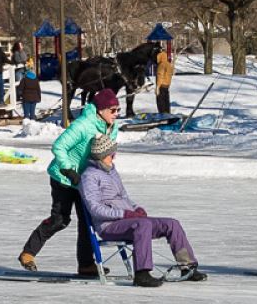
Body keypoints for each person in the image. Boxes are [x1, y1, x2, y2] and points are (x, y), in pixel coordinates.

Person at [79, 134, 207, 287]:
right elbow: (95, 209)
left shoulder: (111, 171)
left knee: (172, 224)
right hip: (109, 225)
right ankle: (142, 274)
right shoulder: (89, 177)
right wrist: (124, 214)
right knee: (143, 225)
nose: (114, 156)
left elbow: (124, 197)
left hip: (130, 220)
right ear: (102, 155)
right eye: (111, 153)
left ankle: (188, 267)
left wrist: (136, 208)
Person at [18, 89, 120, 277]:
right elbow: (59, 146)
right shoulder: (83, 125)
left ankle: (86, 265)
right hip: (63, 178)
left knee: (87, 222)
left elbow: (107, 154)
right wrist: (68, 170)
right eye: (113, 110)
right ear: (101, 110)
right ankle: (28, 253)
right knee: (60, 220)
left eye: (117, 110)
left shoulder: (112, 127)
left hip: (86, 180)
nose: (116, 114)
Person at [154, 48, 173, 114]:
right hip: (167, 85)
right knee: (166, 101)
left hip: (161, 85)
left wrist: (157, 87)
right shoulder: (169, 64)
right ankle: (167, 113)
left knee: (160, 101)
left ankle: (162, 114)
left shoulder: (161, 65)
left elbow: (160, 76)